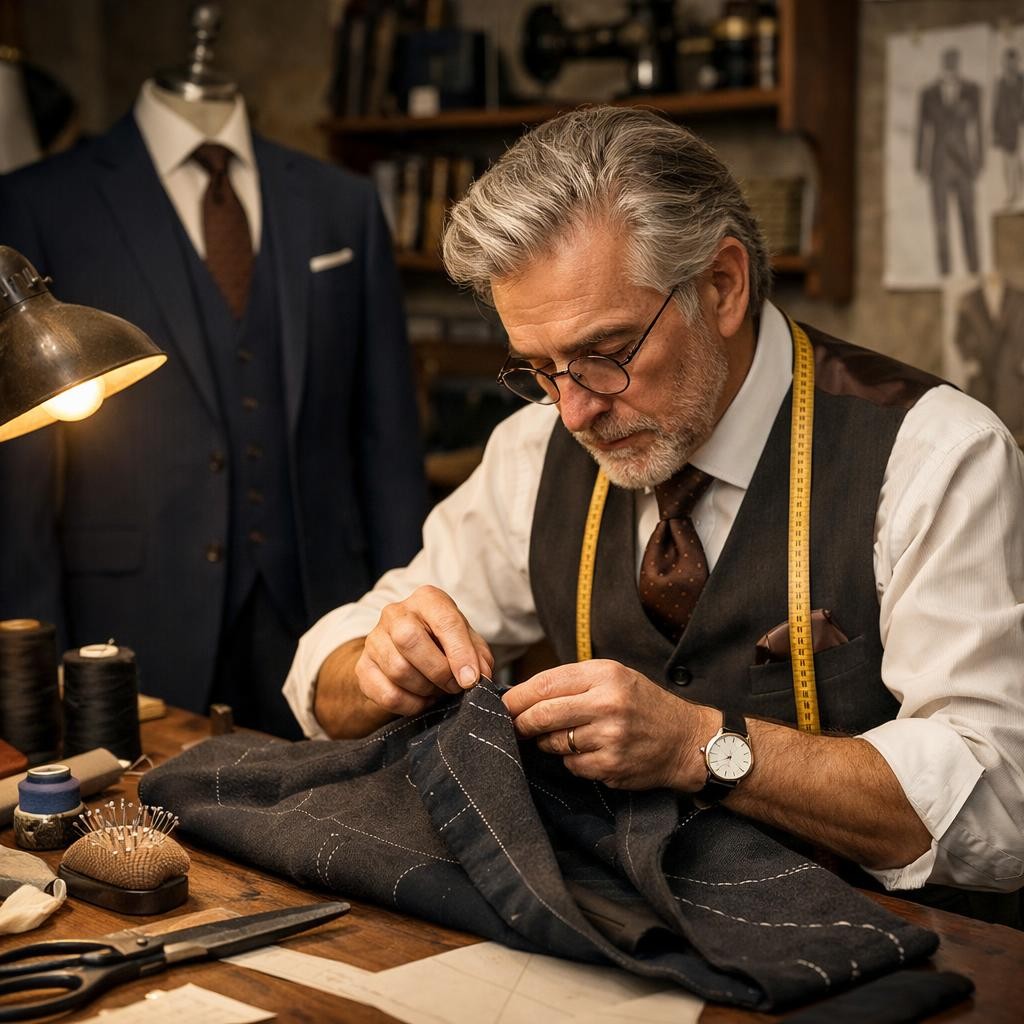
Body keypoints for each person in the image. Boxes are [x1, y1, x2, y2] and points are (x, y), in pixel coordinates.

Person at [285, 106, 1024, 924]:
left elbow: (999, 806)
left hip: (894, 947)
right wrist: (380, 668)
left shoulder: (935, 455)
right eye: (539, 369)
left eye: (604, 354)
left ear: (723, 285)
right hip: (634, 937)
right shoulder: (535, 452)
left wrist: (696, 746)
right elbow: (322, 675)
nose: (573, 411)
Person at [0, 76, 426, 737]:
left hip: (328, 606)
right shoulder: (41, 200)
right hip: (133, 610)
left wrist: (413, 611)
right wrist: (32, 658)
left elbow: (388, 434)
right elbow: (22, 472)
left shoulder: (341, 202)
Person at [915, 47, 983, 275]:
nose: (951, 66)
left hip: (964, 165)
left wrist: (978, 161)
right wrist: (921, 163)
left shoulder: (972, 90)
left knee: (969, 219)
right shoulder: (928, 94)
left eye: (954, 62)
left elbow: (978, 127)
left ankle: (974, 270)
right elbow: (922, 130)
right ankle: (944, 273)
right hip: (939, 165)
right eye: (948, 62)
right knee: (941, 223)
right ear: (943, 64)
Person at [992, 47, 1024, 208]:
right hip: (1006, 130)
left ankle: (1021, 193)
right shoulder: (1000, 83)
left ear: (1018, 62)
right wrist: (995, 131)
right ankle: (1012, 194)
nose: (1010, 66)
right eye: (1007, 63)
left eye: (1013, 62)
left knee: (1020, 160)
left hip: (1021, 128)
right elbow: (996, 108)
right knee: (1008, 163)